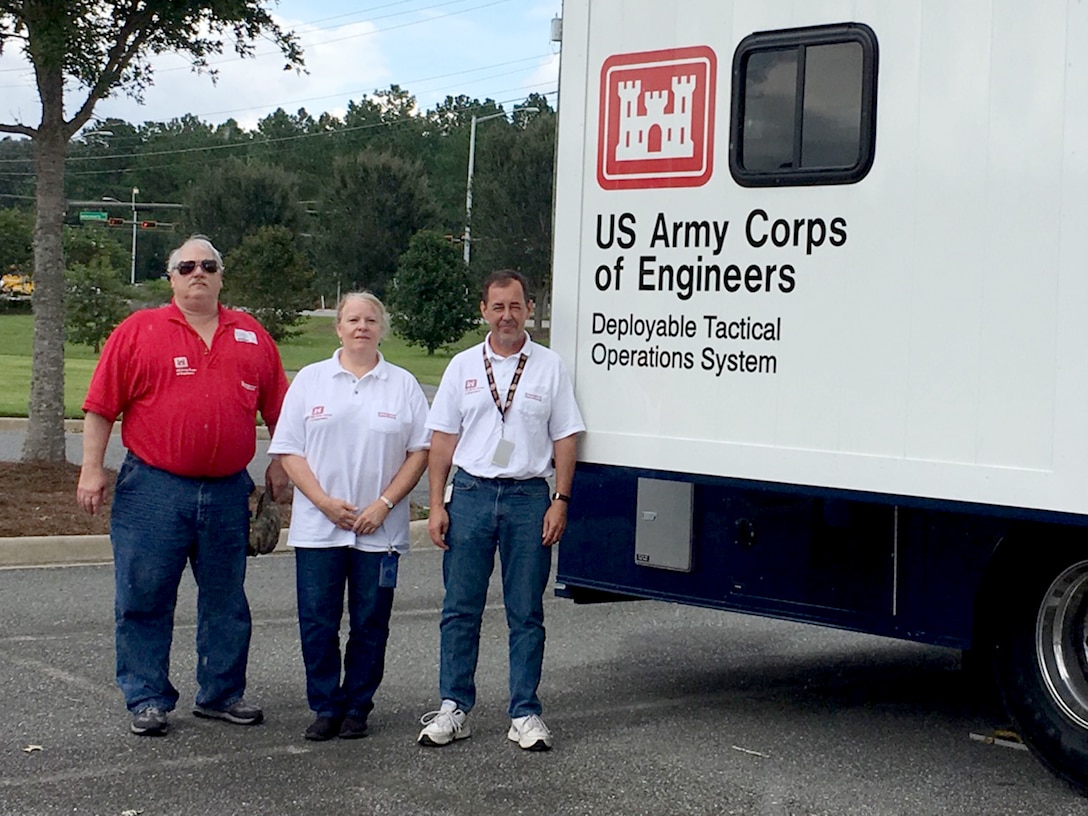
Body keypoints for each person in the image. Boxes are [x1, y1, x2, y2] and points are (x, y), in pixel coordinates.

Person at [76, 235, 289, 737]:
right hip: (152, 488)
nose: (199, 273)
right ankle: (146, 697)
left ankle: (221, 693)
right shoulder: (138, 331)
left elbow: (283, 412)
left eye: (208, 265)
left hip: (227, 492)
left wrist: (280, 462)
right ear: (170, 277)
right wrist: (91, 469)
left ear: (220, 276)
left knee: (226, 599)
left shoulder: (252, 336)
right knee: (143, 594)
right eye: (186, 266)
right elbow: (100, 406)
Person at [418, 269, 585, 752]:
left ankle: (525, 712)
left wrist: (561, 499)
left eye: (515, 306)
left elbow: (565, 436)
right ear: (484, 312)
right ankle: (454, 707)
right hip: (469, 494)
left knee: (525, 612)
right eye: (497, 307)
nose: (506, 315)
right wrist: (436, 505)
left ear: (530, 309)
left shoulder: (550, 367)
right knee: (460, 609)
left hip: (529, 497)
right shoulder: (463, 366)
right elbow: (442, 441)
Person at [269, 292, 429, 741]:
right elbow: (289, 451)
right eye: (353, 319)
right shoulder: (310, 381)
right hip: (319, 528)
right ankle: (325, 706)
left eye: (371, 320)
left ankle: (358, 706)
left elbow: (420, 451)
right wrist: (321, 501)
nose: (362, 327)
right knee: (318, 622)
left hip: (380, 531)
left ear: (382, 328)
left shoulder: (403, 385)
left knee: (370, 622)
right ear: (338, 327)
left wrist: (384, 503)